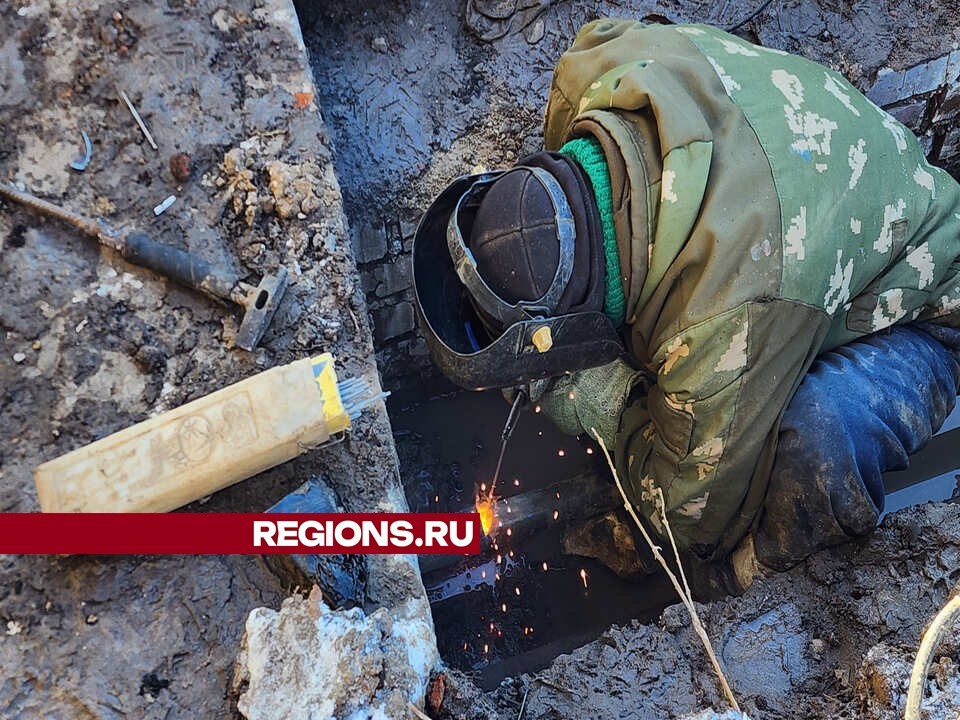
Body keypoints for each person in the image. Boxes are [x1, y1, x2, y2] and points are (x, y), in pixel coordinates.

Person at [411, 19, 960, 591]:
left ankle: (749, 587)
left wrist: (604, 400)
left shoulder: (720, 323)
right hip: (822, 206)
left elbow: (692, 516)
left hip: (926, 307)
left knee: (809, 446)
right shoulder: (593, 71)